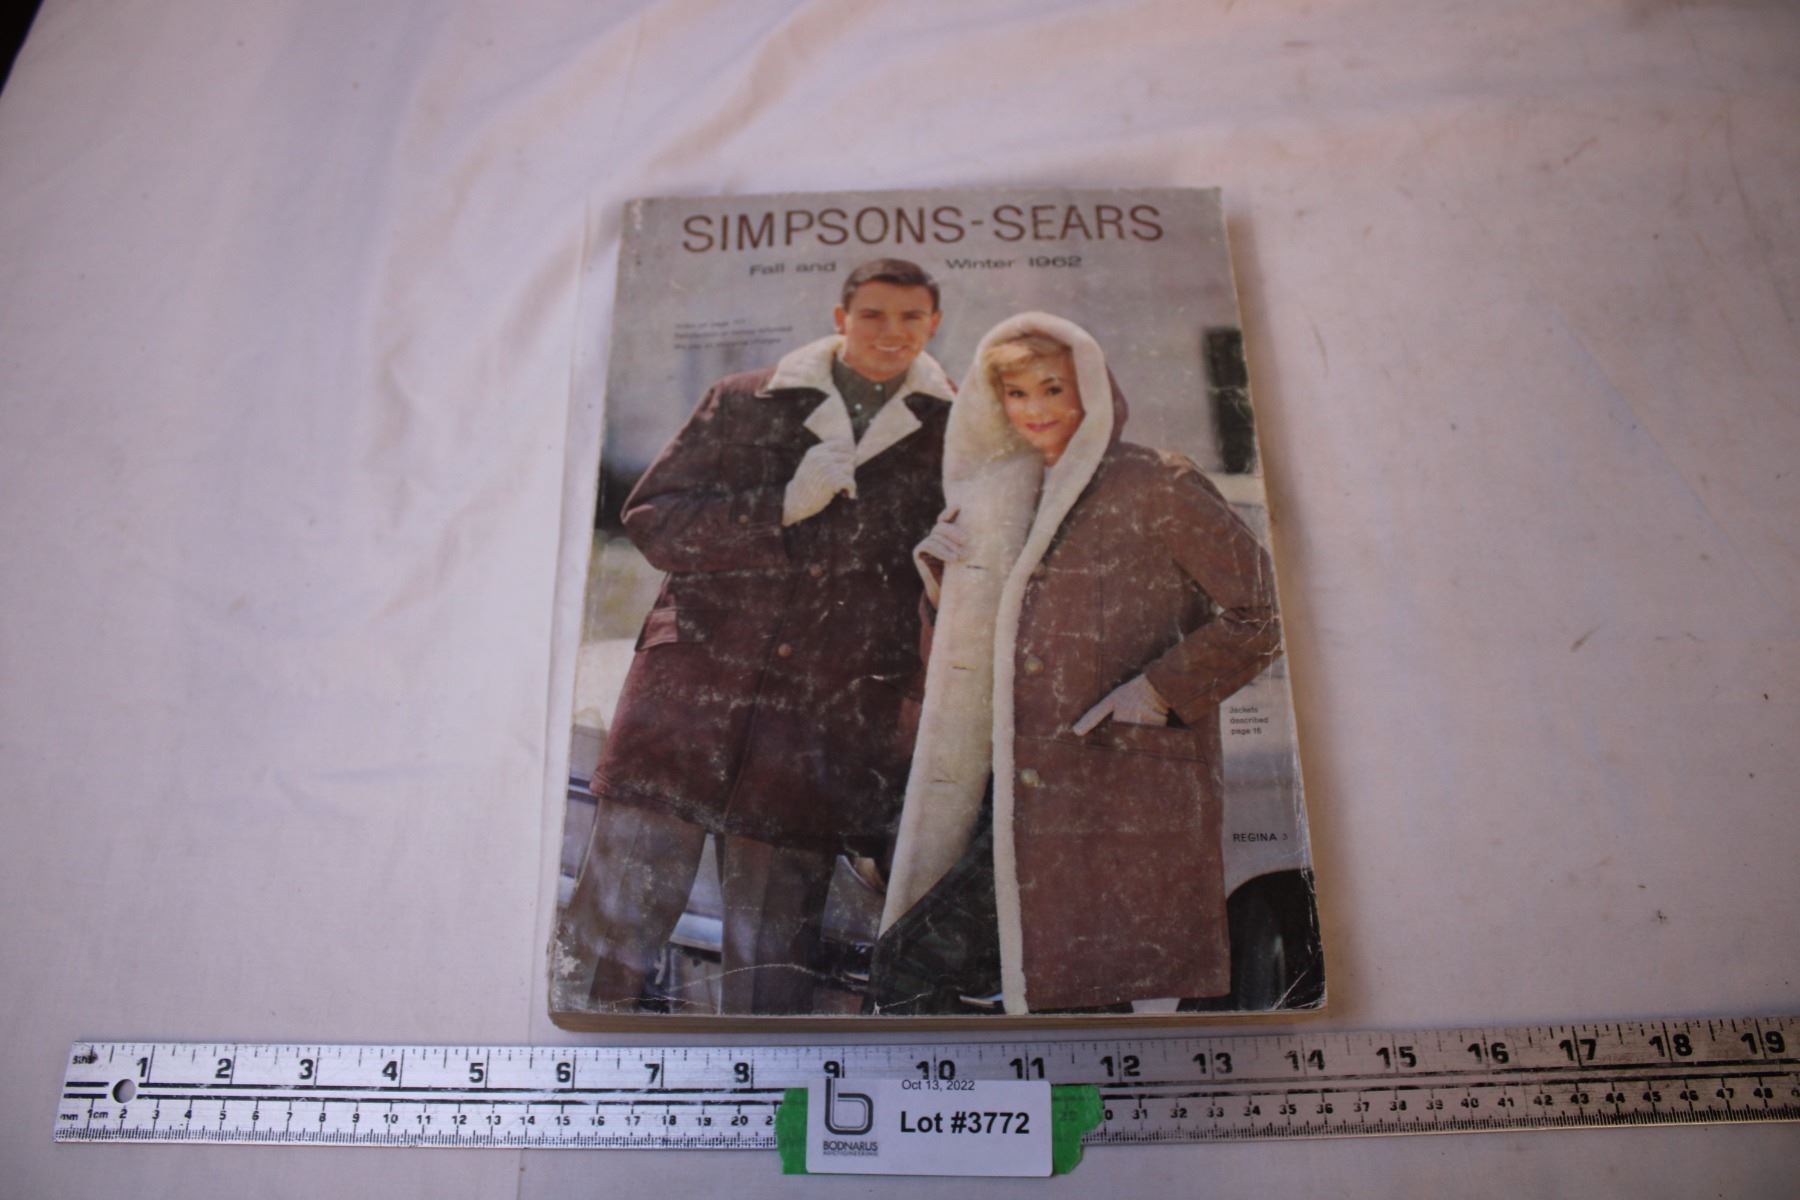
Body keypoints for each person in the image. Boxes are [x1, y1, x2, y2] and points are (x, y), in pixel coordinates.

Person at [564, 259, 954, 1014]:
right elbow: (654, 522)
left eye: (911, 317)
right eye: (873, 314)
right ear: (841, 318)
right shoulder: (744, 399)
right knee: (611, 932)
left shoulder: (955, 431)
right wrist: (780, 505)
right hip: (687, 706)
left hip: (814, 732)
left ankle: (765, 1075)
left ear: (933, 324)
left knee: (771, 968)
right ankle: (577, 1050)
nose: (892, 332)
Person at [871, 312, 1282, 1015]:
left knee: (926, 972)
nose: (1034, 410)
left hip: (1103, 782)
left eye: (1052, 389)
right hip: (1005, 784)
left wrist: (1158, 692)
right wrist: (944, 590)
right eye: (1016, 393)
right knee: (1062, 992)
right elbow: (973, 661)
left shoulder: (1156, 482)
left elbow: (1265, 609)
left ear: (1090, 387)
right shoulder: (1002, 494)